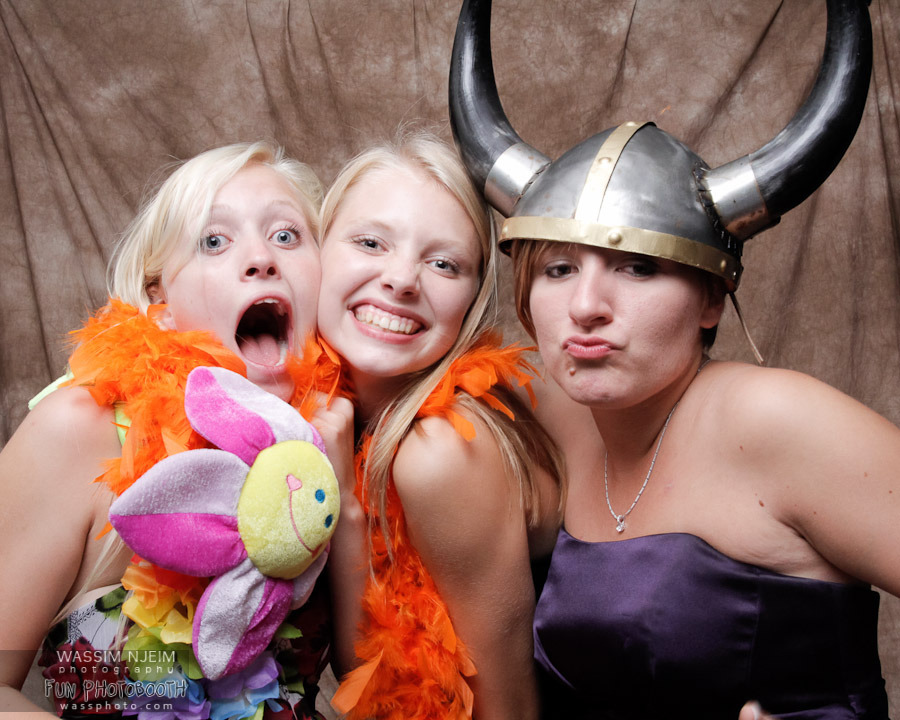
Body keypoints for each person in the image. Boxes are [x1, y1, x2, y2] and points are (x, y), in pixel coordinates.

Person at [449, 0, 896, 718]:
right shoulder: (547, 404)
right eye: (559, 269)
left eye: (638, 268)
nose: (587, 305)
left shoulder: (774, 419)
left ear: (712, 299)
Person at [0, 142, 336, 719]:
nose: (261, 258)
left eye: (286, 235)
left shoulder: (331, 444)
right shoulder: (78, 430)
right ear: (161, 298)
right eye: (214, 241)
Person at [303, 131, 563, 720]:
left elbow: (509, 712)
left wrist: (343, 505)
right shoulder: (319, 413)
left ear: (473, 299)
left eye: (444, 264)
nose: (401, 280)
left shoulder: (443, 449)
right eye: (371, 242)